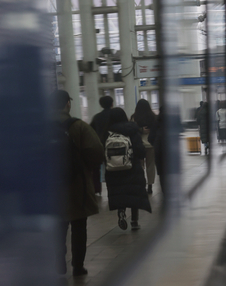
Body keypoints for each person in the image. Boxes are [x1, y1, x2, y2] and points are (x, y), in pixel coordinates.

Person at [52, 90, 104, 277]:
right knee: (79, 225)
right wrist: (84, 166)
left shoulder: (40, 128)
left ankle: (58, 263)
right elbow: (97, 152)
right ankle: (78, 266)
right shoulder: (78, 126)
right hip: (76, 184)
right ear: (68, 104)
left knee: (57, 226)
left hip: (50, 187)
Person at [104, 107, 152, 231]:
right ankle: (134, 221)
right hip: (131, 166)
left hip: (113, 168)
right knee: (133, 193)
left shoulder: (107, 132)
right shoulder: (132, 130)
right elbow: (140, 150)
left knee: (120, 192)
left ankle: (121, 211)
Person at [131, 99, 157, 194]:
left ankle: (141, 185)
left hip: (139, 144)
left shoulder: (134, 117)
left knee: (140, 166)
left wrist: (140, 130)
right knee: (150, 165)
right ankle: (150, 185)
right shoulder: (153, 117)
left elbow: (132, 130)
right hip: (150, 144)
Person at [90, 95, 114, 195]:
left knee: (97, 168)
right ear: (112, 103)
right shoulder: (115, 115)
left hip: (101, 145)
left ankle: (97, 189)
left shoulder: (97, 117)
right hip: (114, 144)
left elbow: (91, 130)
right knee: (113, 166)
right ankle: (112, 188)